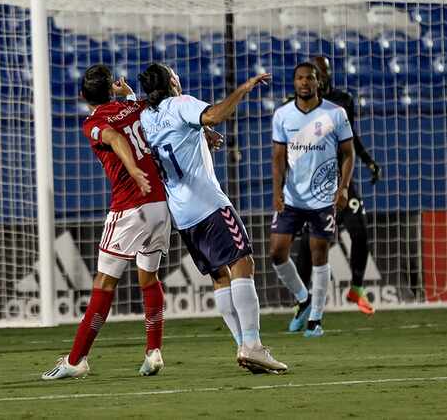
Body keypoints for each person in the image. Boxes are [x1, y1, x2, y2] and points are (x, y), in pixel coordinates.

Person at [137, 63, 288, 374]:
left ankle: (243, 347)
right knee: (243, 262)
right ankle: (253, 345)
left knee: (220, 277)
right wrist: (243, 90)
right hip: (209, 204)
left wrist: (203, 136)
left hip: (182, 213)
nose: (178, 76)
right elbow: (216, 114)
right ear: (170, 82)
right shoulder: (180, 104)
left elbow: (176, 137)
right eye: (173, 73)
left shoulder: (146, 117)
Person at [42, 65, 170, 380]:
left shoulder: (93, 123)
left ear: (82, 96)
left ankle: (76, 360)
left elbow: (113, 136)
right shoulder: (133, 107)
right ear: (111, 89)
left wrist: (134, 170)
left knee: (104, 283)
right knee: (148, 278)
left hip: (130, 208)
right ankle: (153, 351)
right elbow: (152, 108)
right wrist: (129, 95)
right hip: (160, 204)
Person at [270, 62, 355, 338]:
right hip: (293, 197)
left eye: (310, 78)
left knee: (320, 254)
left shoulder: (335, 114)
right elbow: (278, 157)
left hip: (323, 198)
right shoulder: (283, 115)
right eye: (299, 78)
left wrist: (343, 189)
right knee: (277, 252)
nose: (304, 82)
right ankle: (303, 297)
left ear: (318, 82)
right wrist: (277, 190)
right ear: (294, 83)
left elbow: (348, 154)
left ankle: (315, 319)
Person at [294, 56, 382, 315]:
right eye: (314, 73)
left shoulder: (343, 101)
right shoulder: (298, 106)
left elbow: (350, 138)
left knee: (360, 230)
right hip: (314, 183)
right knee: (310, 242)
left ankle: (356, 288)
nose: (319, 76)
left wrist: (368, 162)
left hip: (342, 180)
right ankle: (303, 300)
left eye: (323, 71)